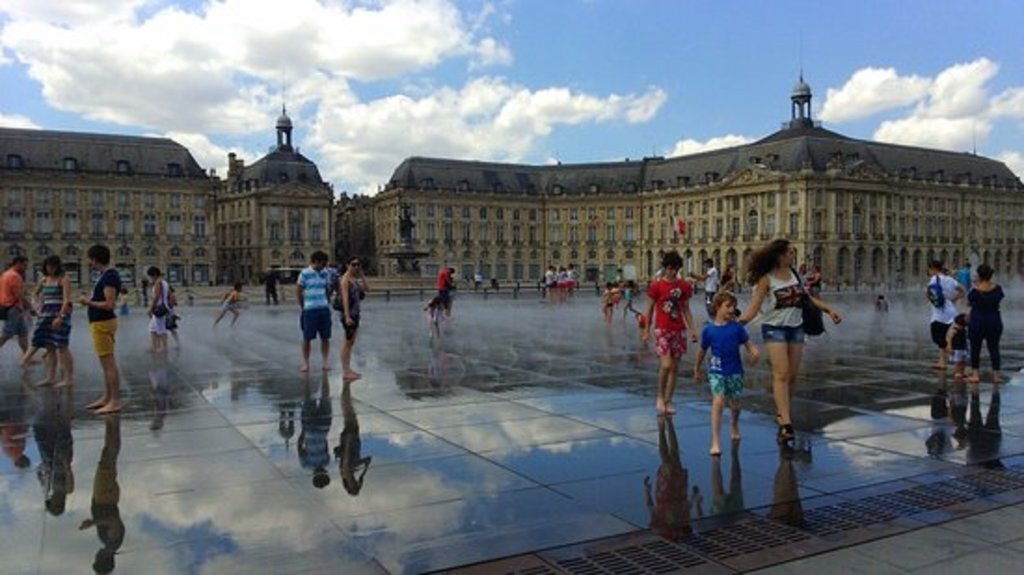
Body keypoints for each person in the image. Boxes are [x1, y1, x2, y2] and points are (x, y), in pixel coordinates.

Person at [737, 239, 842, 447]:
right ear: (780, 256)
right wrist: (738, 322)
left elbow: (806, 299)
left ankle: (782, 412)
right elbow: (754, 306)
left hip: (796, 328)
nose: (792, 255)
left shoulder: (794, 275)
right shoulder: (766, 279)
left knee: (792, 376)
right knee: (782, 373)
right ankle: (786, 422)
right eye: (789, 252)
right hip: (774, 328)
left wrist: (828, 309)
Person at [694, 292, 760, 456]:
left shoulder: (737, 328)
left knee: (735, 404)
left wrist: (754, 352)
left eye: (734, 307)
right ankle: (715, 441)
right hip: (717, 371)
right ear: (717, 307)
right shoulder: (709, 330)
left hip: (735, 371)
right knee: (718, 401)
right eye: (728, 306)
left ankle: (734, 424)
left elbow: (748, 344)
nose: (732, 310)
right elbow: (701, 351)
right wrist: (697, 368)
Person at [644, 250, 697, 416]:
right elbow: (650, 309)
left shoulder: (684, 287)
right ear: (665, 268)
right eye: (669, 268)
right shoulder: (657, 286)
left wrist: (692, 329)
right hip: (662, 329)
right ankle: (659, 396)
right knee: (666, 365)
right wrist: (646, 329)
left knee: (674, 368)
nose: (672, 271)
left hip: (678, 329)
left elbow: (686, 309)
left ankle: (668, 399)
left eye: (675, 268)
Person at [78, 245, 122, 415]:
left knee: (109, 364)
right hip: (100, 322)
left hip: (103, 323)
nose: (89, 263)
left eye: (90, 259)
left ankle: (115, 401)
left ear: (95, 259)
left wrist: (87, 302)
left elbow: (109, 304)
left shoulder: (109, 277)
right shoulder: (105, 276)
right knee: (105, 365)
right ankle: (107, 397)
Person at [643, 416, 702, 542]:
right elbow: (650, 506)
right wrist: (647, 490)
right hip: (670, 492)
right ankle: (664, 426)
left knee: (670, 455)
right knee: (668, 455)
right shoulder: (671, 524)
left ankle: (665, 426)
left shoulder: (677, 524)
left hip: (672, 492)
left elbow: (650, 507)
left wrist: (647, 490)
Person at [79, 415, 123, 574]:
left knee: (107, 456)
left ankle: (111, 421)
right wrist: (93, 523)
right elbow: (114, 522)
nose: (95, 556)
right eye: (96, 559)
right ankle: (113, 421)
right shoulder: (112, 544)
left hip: (104, 498)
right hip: (105, 499)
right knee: (108, 458)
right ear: (103, 560)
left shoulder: (110, 545)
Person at [21, 255, 73, 387]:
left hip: (59, 315)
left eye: (53, 266)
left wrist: (60, 317)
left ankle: (68, 379)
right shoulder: (44, 279)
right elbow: (34, 293)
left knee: (62, 347)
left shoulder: (63, 279)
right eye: (48, 266)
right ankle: (50, 377)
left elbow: (66, 300)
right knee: (49, 347)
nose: (50, 269)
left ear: (58, 266)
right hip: (45, 315)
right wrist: (36, 306)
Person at [966, 263, 1004, 383]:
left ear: (979, 276)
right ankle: (996, 376)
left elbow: (970, 303)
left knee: (975, 349)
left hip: (977, 321)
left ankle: (975, 375)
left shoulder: (974, 292)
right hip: (993, 321)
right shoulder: (998, 289)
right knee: (994, 349)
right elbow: (999, 298)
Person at [297, 251, 333, 373]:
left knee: (325, 337)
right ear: (316, 262)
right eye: (323, 264)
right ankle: (306, 363)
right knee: (307, 337)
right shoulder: (304, 273)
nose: (324, 266)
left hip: (323, 308)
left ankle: (325, 361)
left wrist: (327, 302)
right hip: (310, 309)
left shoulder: (325, 273)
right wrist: (303, 306)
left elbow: (327, 288)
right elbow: (299, 290)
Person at [925, 259, 965, 371]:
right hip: (951, 312)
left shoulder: (933, 279)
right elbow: (962, 290)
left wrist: (931, 300)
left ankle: (949, 354)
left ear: (933, 269)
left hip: (938, 314)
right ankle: (942, 362)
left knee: (939, 339)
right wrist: (953, 299)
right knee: (945, 337)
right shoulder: (950, 279)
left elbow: (928, 293)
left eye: (929, 269)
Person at [336, 379, 372, 496]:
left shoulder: (346, 472)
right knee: (349, 413)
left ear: (350, 486)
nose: (356, 483)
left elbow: (346, 457)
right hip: (352, 439)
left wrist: (348, 440)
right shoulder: (352, 472)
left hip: (350, 439)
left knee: (348, 412)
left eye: (355, 485)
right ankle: (346, 389)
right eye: (357, 485)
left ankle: (346, 387)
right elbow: (368, 459)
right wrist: (363, 474)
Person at [298, 373, 332, 489]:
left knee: (324, 397)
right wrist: (303, 432)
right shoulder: (306, 464)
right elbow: (300, 448)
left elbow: (326, 446)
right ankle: (309, 377)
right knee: (308, 398)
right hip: (310, 427)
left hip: (322, 426)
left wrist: (323, 434)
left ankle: (322, 375)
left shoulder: (325, 462)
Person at [339, 257, 368, 380]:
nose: (356, 267)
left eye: (358, 265)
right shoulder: (345, 280)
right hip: (349, 314)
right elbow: (345, 299)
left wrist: (362, 276)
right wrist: (346, 316)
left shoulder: (354, 279)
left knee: (351, 342)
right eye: (353, 264)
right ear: (347, 265)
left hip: (355, 313)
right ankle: (345, 371)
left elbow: (367, 289)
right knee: (347, 342)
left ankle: (348, 369)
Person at [0, 256, 32, 358]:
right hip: (13, 308)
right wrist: (30, 307)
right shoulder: (14, 276)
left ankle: (26, 356)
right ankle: (27, 356)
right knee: (7, 334)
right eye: (24, 265)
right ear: (18, 263)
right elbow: (19, 295)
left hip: (12, 307)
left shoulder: (5, 274)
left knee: (23, 333)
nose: (26, 267)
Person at [146, 267, 171, 354]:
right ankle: (154, 346)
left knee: (161, 329)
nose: (150, 278)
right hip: (163, 306)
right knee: (152, 328)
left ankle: (164, 348)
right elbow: (169, 295)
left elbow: (156, 297)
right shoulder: (165, 282)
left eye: (151, 276)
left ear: (155, 275)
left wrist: (150, 309)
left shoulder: (158, 283)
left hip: (159, 308)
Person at [946, 313, 969, 381]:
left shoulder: (964, 330)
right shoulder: (954, 330)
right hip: (956, 348)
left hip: (963, 348)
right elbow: (949, 338)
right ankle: (957, 373)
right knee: (957, 362)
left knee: (963, 361)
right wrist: (949, 347)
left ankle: (962, 373)